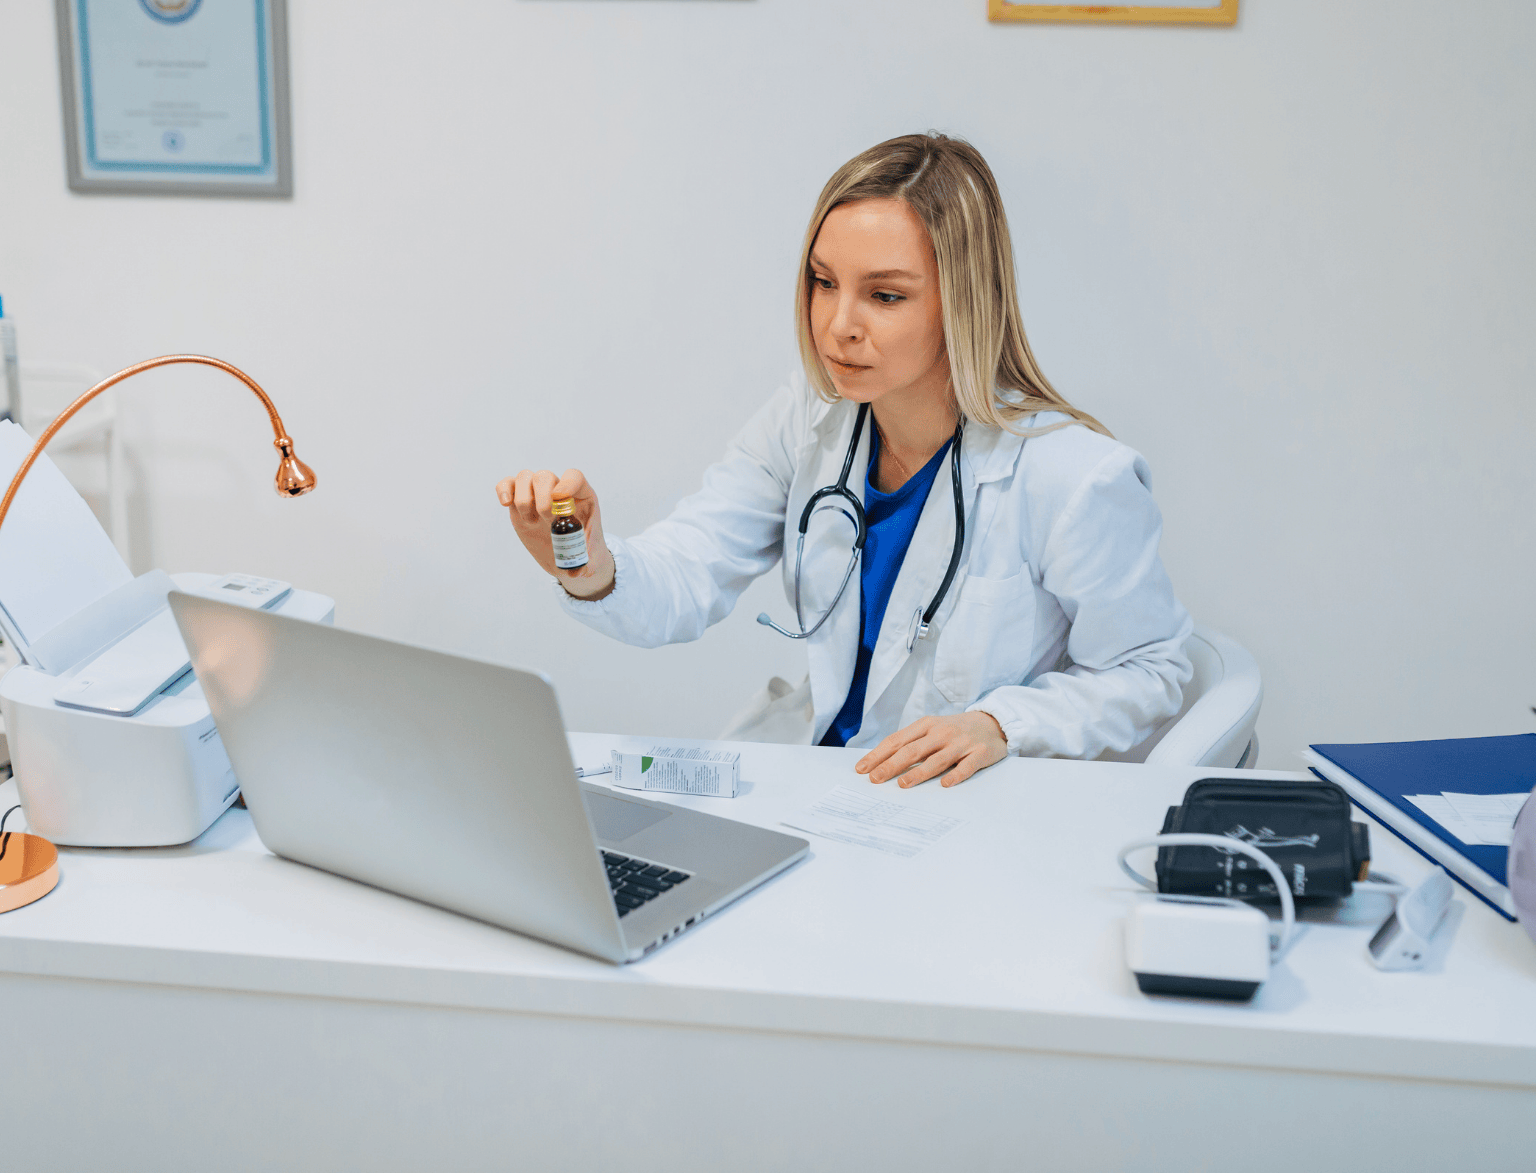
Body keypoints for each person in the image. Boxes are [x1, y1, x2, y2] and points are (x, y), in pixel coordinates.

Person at [496, 133, 1193, 789]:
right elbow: (688, 573)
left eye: (885, 296)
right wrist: (588, 565)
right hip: (824, 790)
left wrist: (1001, 723)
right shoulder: (810, 419)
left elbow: (1152, 670)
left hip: (953, 815)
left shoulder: (1071, 476)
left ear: (964, 301)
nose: (837, 324)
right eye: (824, 282)